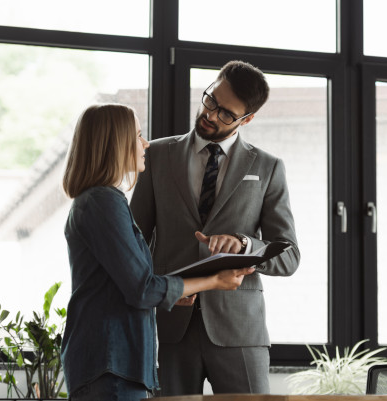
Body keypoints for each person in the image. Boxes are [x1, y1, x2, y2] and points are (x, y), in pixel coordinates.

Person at [60, 103, 255, 401]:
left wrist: (175, 292)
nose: (145, 144)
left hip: (112, 365)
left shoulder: (98, 201)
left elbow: (122, 286)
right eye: (137, 136)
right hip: (111, 366)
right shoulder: (103, 202)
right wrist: (215, 281)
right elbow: (142, 289)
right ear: (116, 143)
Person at [130, 60, 301, 395]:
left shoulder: (267, 168)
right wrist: (155, 291)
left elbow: (289, 256)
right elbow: (134, 241)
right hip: (170, 328)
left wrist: (244, 245)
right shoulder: (157, 156)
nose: (210, 114)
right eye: (210, 100)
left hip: (240, 331)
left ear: (247, 119)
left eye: (226, 113)